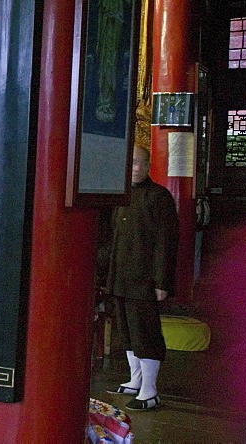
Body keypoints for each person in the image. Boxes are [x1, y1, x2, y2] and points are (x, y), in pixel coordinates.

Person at [98, 145, 179, 410]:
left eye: (139, 163)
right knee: (127, 331)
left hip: (144, 279)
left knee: (146, 334)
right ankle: (135, 380)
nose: (135, 168)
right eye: (130, 163)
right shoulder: (119, 196)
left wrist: (162, 282)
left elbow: (166, 242)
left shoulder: (159, 197)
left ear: (148, 166)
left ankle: (150, 390)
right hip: (120, 277)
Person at [94, 0, 125, 123]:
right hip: (105, 34)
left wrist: (115, 17)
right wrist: (107, 18)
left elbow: (120, 15)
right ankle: (101, 102)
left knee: (111, 71)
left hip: (113, 39)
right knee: (103, 72)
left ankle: (108, 102)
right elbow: (100, 10)